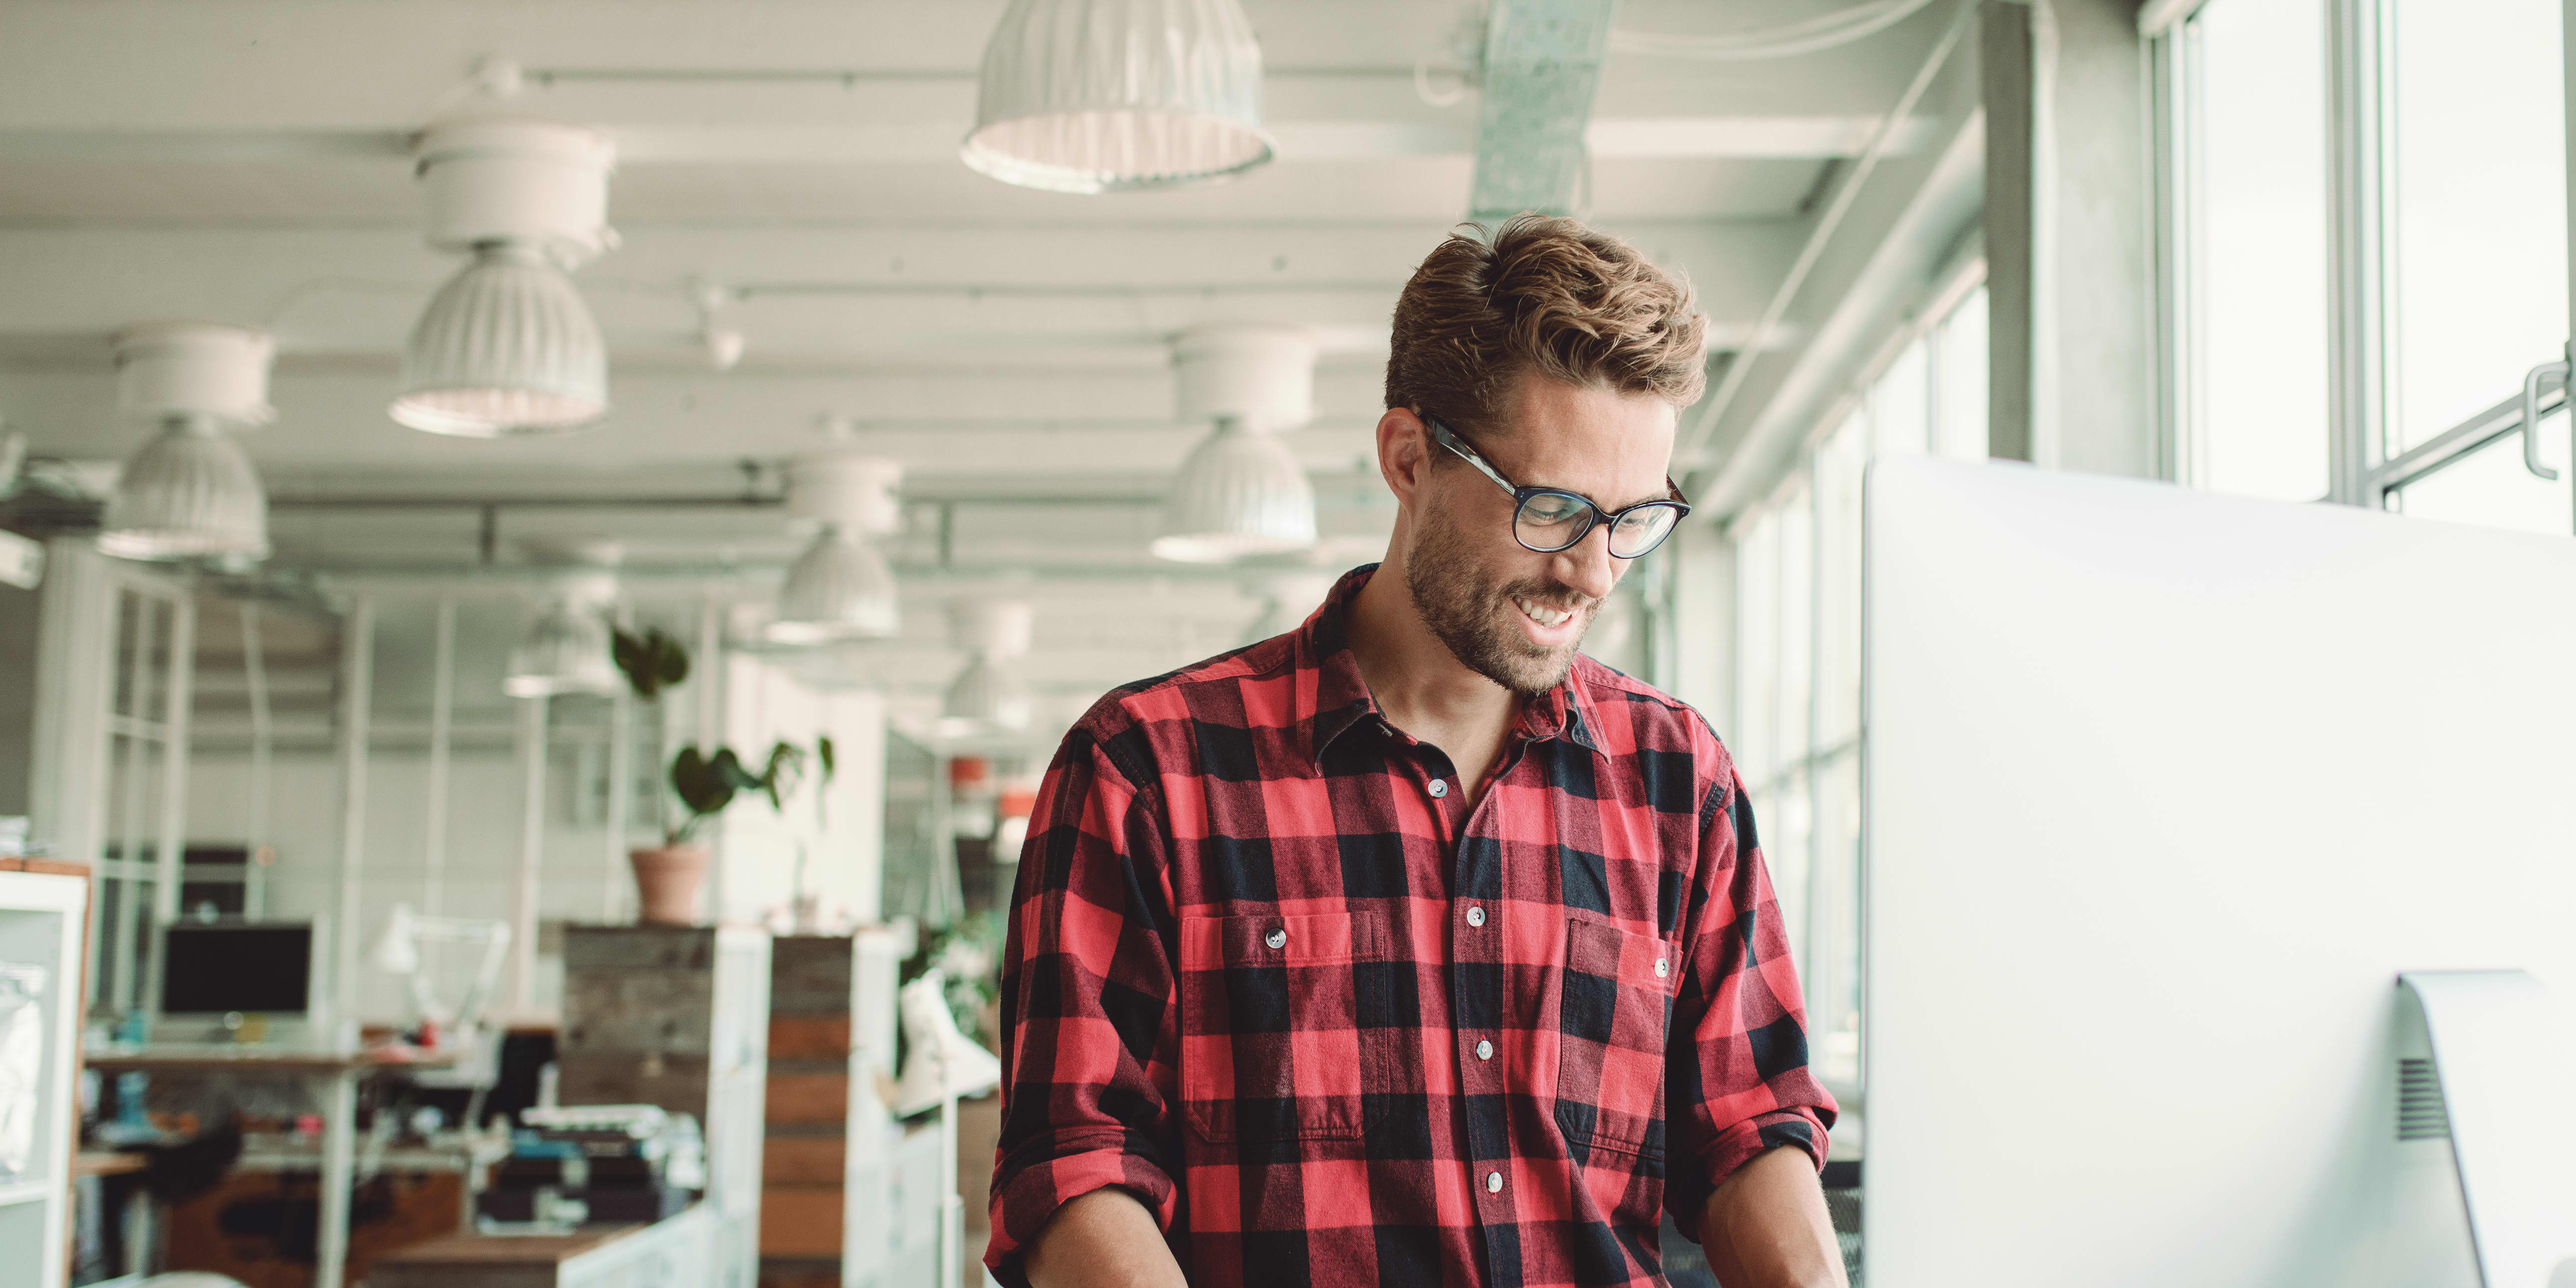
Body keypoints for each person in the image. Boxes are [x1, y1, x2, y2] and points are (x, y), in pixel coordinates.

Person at [986, 214, 1843, 1288]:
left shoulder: (1679, 779)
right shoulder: (1147, 770)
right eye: (1553, 509)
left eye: (1632, 520)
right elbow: (1072, 1163)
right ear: (1407, 458)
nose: (1592, 573)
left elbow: (1749, 1121)